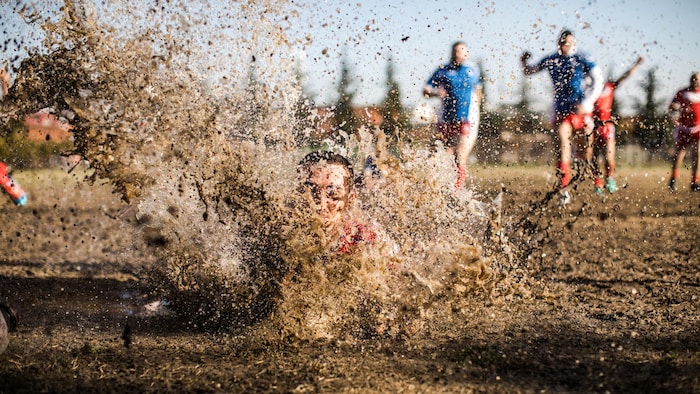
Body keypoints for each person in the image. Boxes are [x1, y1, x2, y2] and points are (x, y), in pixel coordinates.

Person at [521, 30, 604, 205]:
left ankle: (597, 182)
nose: (564, 44)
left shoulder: (582, 58)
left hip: (581, 111)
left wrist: (587, 103)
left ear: (574, 43)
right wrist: (523, 61)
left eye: (568, 42)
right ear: (558, 43)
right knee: (562, 148)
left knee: (586, 152)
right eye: (562, 41)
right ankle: (563, 190)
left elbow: (599, 80)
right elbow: (530, 71)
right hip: (561, 111)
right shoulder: (552, 59)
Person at [423, 41, 482, 192]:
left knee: (460, 155)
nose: (458, 55)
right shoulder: (442, 71)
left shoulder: (472, 70)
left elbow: (479, 90)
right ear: (451, 53)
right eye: (456, 51)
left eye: (462, 52)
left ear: (466, 54)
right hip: (445, 119)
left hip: (466, 119)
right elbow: (425, 90)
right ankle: (440, 188)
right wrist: (436, 93)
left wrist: (476, 109)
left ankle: (456, 191)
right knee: (439, 154)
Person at [297, 151, 378, 254]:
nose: (321, 206)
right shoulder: (280, 233)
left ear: (350, 200)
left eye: (333, 194)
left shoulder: (365, 242)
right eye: (310, 191)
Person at [592, 56, 644, 195]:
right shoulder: (589, 89)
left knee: (609, 157)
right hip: (592, 127)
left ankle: (609, 178)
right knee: (594, 157)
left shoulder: (609, 86)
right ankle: (597, 183)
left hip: (607, 125)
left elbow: (625, 76)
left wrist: (636, 64)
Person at [668, 72, 700, 192]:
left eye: (696, 79)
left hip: (698, 129)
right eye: (692, 79)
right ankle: (673, 179)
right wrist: (678, 107)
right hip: (684, 129)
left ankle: (694, 182)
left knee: (697, 155)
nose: (694, 81)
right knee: (679, 155)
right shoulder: (682, 92)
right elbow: (671, 106)